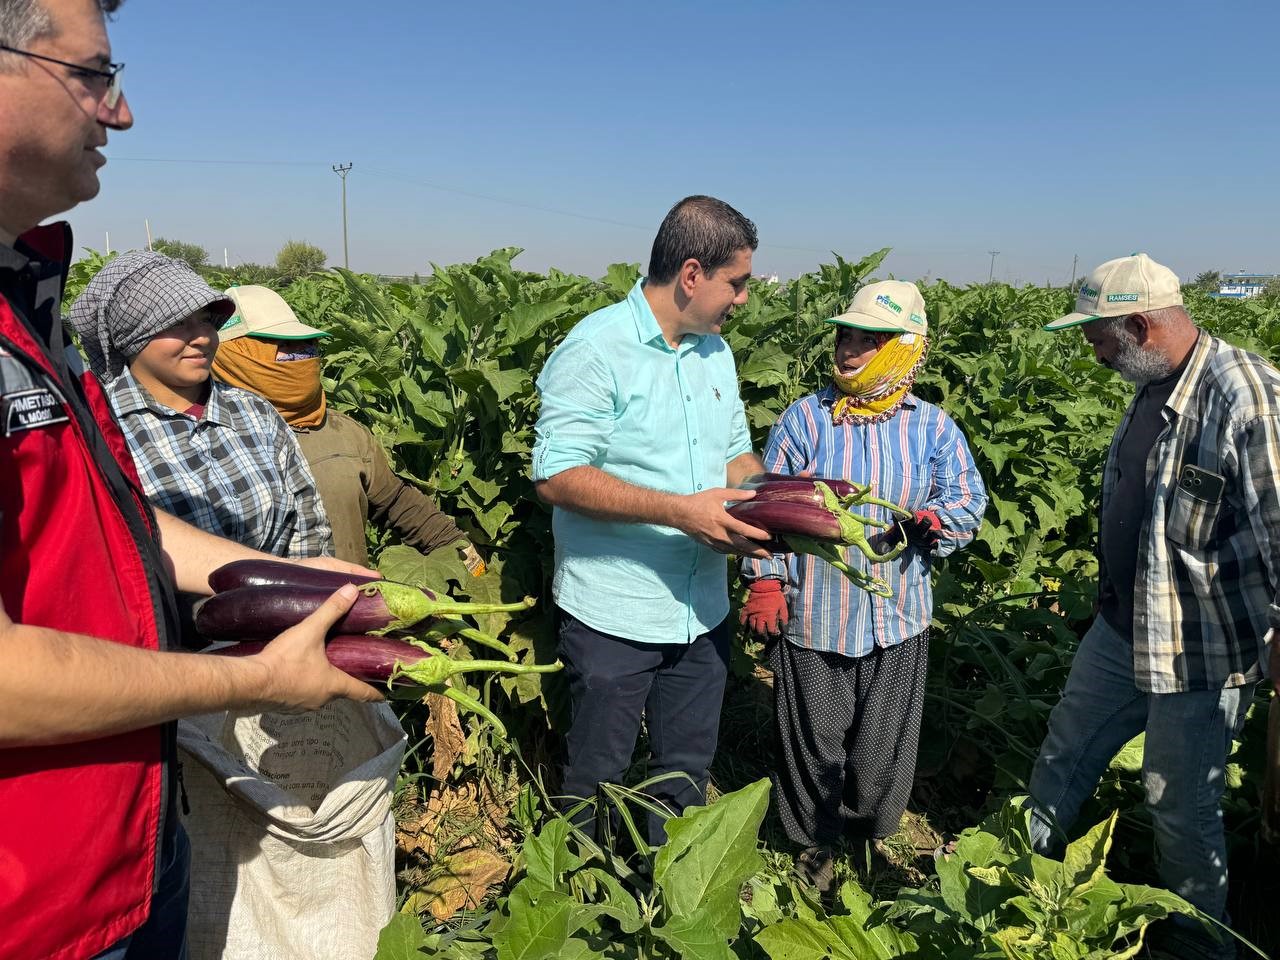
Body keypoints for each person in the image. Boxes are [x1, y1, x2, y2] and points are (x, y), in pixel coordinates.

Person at [0, 3, 380, 959]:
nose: (119, 113)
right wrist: (253, 676)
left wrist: (327, 591)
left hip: (118, 839)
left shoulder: (28, 314)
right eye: (93, 74)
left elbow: (126, 531)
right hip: (29, 900)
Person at [1030, 253, 1279, 960]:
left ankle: (1201, 945)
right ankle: (1015, 885)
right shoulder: (1155, 384)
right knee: (1064, 753)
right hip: (1121, 628)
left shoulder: (1245, 396)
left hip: (1200, 646)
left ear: (1140, 325)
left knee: (1178, 803)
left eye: (1099, 338)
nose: (1093, 352)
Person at [532, 195, 772, 845]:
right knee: (597, 778)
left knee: (684, 776)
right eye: (738, 282)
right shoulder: (595, 348)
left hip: (701, 610)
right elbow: (556, 474)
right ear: (692, 275)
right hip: (615, 613)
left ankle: (663, 910)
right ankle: (577, 909)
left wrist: (772, 501)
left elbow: (734, 454)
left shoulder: (713, 353)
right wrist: (679, 513)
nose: (744, 298)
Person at [740, 280, 986, 890]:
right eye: (846, 335)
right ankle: (812, 845)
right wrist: (765, 581)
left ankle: (869, 838)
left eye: (869, 339)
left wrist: (938, 523)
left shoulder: (932, 428)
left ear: (905, 348)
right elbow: (768, 506)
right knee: (814, 738)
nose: (849, 349)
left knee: (881, 747)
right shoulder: (805, 419)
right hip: (816, 612)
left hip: (898, 615)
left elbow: (966, 499)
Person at [68, 252, 334, 562]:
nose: (203, 338)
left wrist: (302, 597)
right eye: (178, 323)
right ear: (132, 336)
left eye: (206, 321)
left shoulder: (255, 412)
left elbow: (309, 527)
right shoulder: (99, 427)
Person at [210, 283, 482, 570]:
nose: (301, 354)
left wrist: (466, 557)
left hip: (351, 604)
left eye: (305, 344)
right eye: (283, 346)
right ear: (233, 355)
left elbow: (396, 502)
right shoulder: (202, 441)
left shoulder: (341, 430)